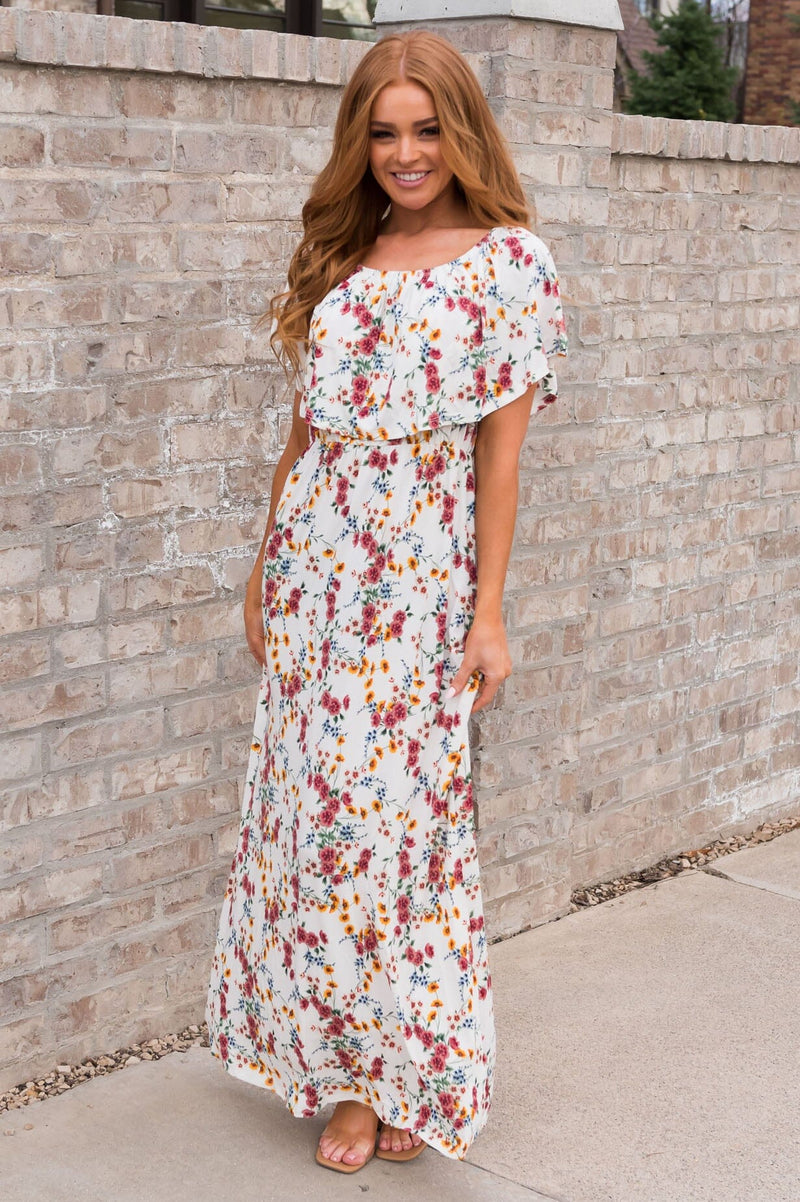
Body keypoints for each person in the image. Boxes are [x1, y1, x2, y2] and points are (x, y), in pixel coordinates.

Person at [205, 27, 568, 1176]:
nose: (405, 153)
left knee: (397, 835)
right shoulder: (340, 258)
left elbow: (498, 461)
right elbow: (301, 436)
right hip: (315, 582)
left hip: (417, 594)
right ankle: (348, 1071)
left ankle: (405, 1067)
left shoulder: (508, 264)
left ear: (461, 134)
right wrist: (265, 562)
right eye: (382, 132)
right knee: (316, 829)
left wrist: (488, 610)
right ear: (358, 143)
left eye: (426, 129)